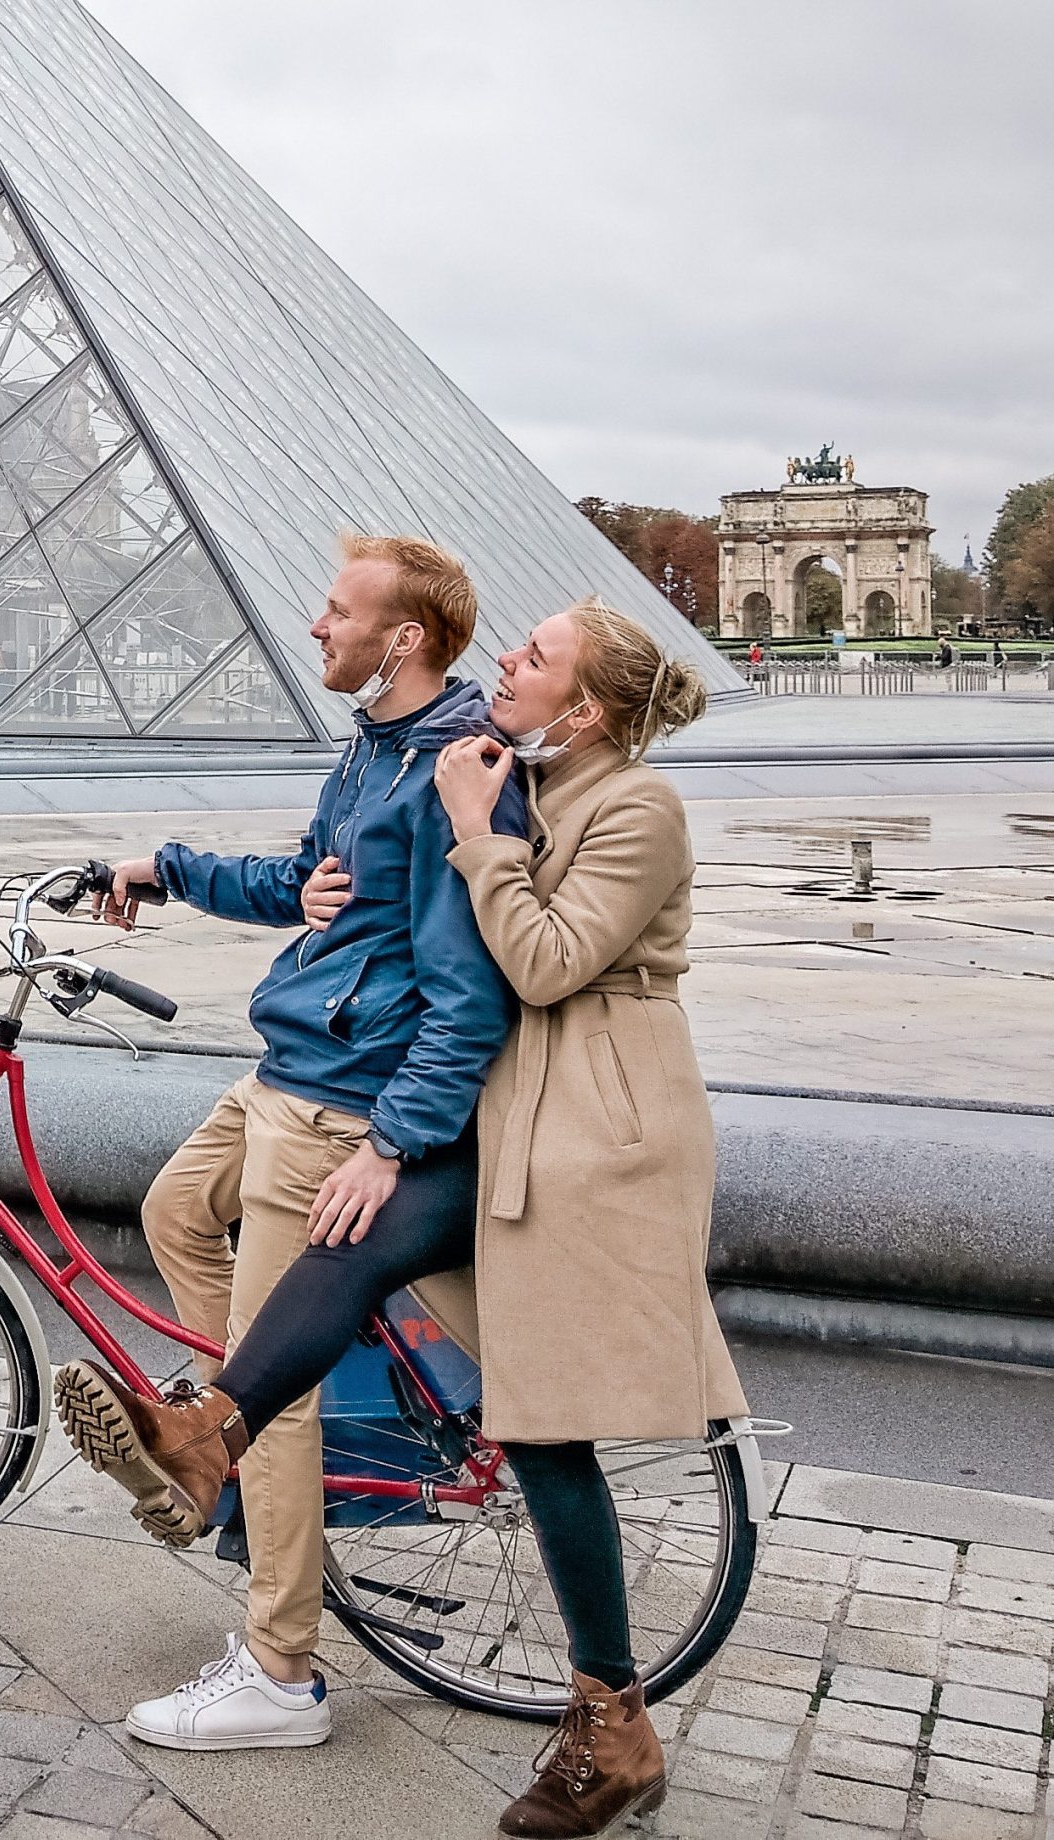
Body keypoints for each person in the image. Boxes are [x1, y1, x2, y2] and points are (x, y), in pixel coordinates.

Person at [172, 597, 745, 1836]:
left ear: (584, 708)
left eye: (534, 658)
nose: (508, 663)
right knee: (353, 1231)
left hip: (594, 1131)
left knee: (543, 1432)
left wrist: (476, 829)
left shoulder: (637, 805)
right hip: (508, 1118)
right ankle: (213, 1429)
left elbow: (543, 962)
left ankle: (611, 1724)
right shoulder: (524, 773)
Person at [52, 535, 525, 1753]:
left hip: (338, 1101)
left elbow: (466, 992)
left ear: (403, 634)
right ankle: (216, 1430)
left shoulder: (448, 775)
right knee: (171, 1207)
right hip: (286, 1069)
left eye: (336, 609)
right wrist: (160, 867)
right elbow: (297, 884)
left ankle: (278, 1661)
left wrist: (394, 1139)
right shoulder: (374, 750)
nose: (316, 626)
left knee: (269, 1385)